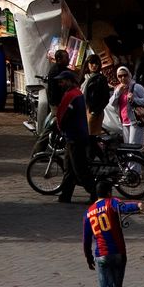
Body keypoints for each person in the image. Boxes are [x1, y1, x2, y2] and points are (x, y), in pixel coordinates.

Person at [83, 180, 144, 287]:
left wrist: (89, 257)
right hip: (118, 254)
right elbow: (124, 207)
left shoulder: (88, 213)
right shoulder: (111, 202)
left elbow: (86, 240)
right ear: (109, 192)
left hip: (102, 255)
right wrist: (139, 205)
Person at [56, 72, 96, 204]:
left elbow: (63, 115)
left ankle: (95, 194)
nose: (60, 84)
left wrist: (60, 128)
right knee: (69, 168)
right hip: (74, 136)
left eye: (62, 81)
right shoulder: (76, 93)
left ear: (69, 81)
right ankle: (65, 195)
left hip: (75, 137)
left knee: (79, 169)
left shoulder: (72, 95)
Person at [109, 66, 144, 150]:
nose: (123, 78)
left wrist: (134, 99)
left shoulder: (136, 87)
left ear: (129, 75)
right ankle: (130, 163)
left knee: (134, 146)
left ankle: (136, 163)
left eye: (125, 75)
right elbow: (112, 103)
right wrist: (117, 93)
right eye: (120, 76)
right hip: (124, 121)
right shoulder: (118, 89)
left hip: (136, 120)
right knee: (127, 147)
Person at [82, 54, 111, 138]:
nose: (94, 65)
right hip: (85, 110)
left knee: (91, 137)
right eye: (92, 63)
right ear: (87, 64)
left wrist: (95, 111)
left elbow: (106, 98)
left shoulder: (101, 78)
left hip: (94, 112)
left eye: (96, 63)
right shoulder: (85, 78)